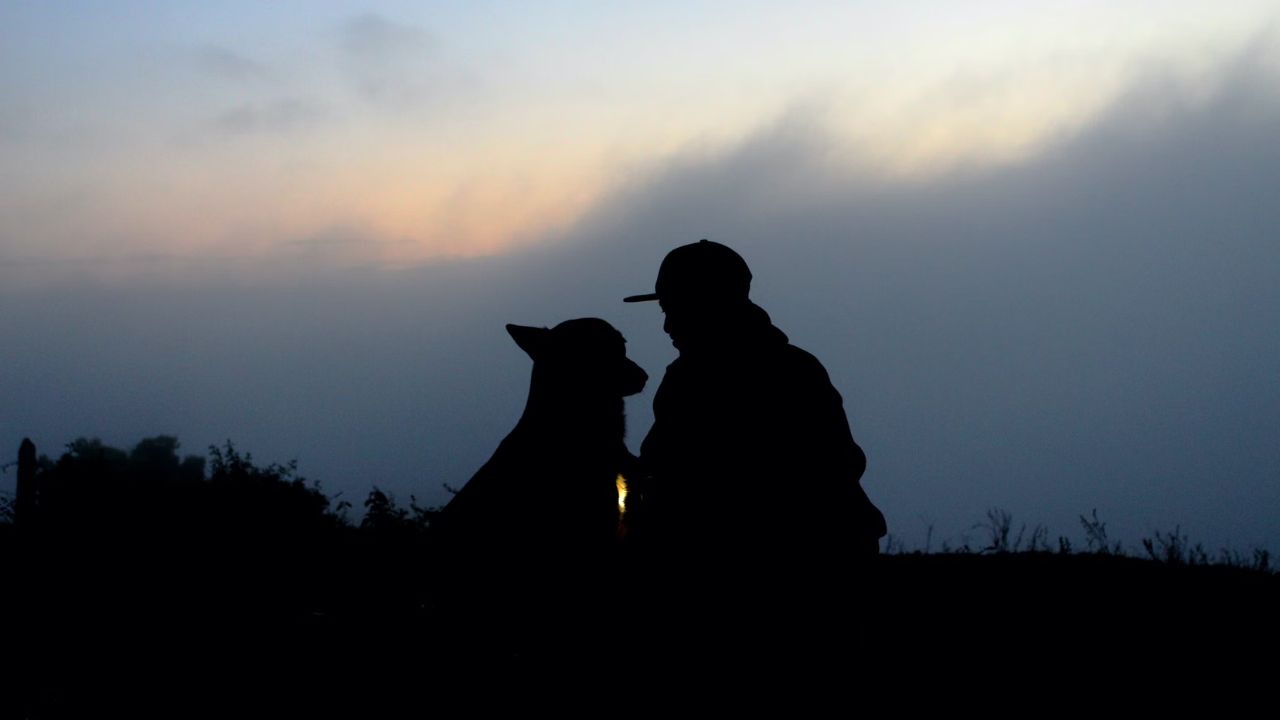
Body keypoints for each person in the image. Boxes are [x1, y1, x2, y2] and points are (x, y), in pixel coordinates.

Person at [624, 240, 886, 571]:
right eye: (666, 311)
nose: (667, 326)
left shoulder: (702, 379)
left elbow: (679, 472)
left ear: (708, 306)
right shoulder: (793, 367)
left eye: (675, 309)